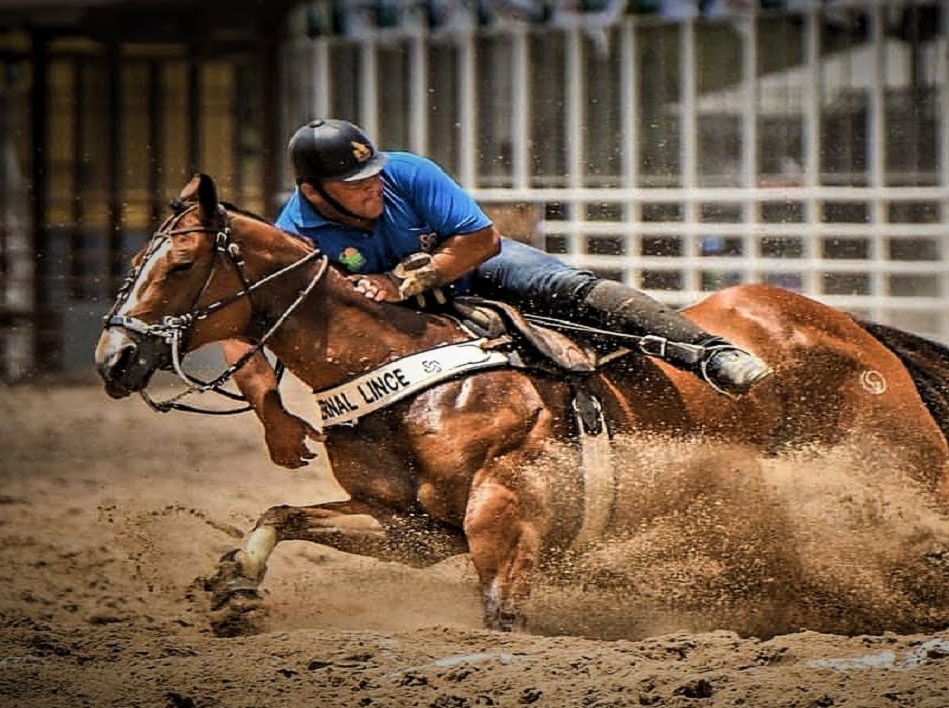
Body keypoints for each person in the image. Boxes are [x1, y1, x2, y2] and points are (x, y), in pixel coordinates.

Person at [224, 118, 772, 467]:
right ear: (311, 190)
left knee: (568, 287)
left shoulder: (408, 174)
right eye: (355, 183)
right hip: (405, 320)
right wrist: (271, 412)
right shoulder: (295, 240)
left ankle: (706, 353)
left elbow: (482, 239)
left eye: (373, 173)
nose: (373, 186)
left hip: (469, 263)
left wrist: (404, 280)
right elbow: (246, 333)